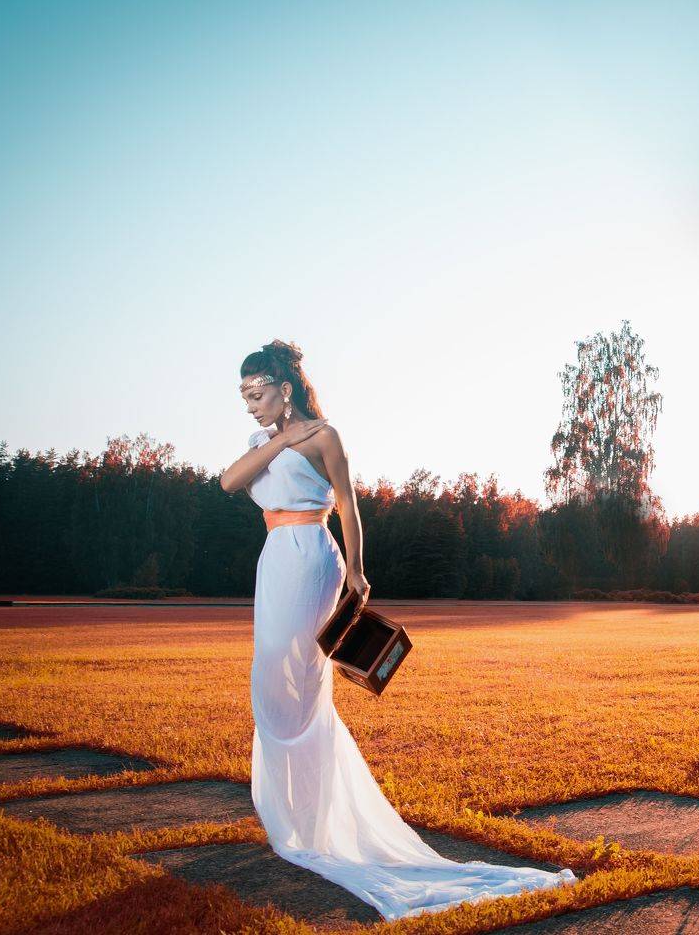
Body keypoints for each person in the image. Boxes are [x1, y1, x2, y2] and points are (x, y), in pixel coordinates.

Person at [219, 339, 577, 920]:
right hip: (274, 557)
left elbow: (348, 505)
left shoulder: (327, 437)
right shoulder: (263, 442)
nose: (250, 405)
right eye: (244, 397)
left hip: (310, 556)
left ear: (285, 388)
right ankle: (299, 816)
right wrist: (280, 438)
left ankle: (309, 821)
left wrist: (357, 571)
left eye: (256, 393)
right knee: (275, 683)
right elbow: (228, 483)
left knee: (298, 683)